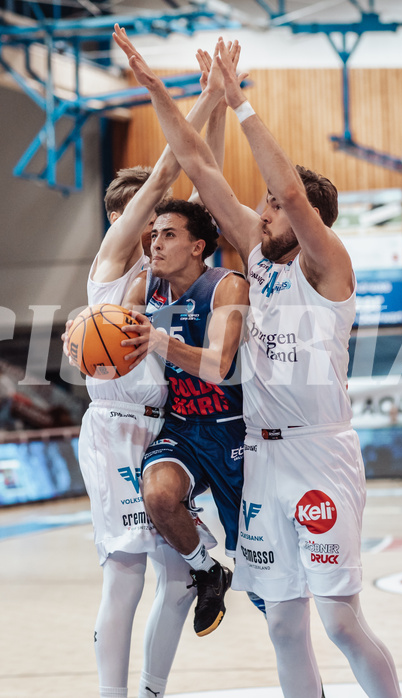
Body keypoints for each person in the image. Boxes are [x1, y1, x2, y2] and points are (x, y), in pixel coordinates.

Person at [113, 25, 402, 698]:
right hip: (261, 457)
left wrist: (241, 103)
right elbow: (197, 164)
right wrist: (161, 89)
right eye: (265, 204)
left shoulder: (326, 266)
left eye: (270, 205)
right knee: (282, 626)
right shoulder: (258, 262)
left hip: (318, 455)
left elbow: (294, 198)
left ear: (304, 221)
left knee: (339, 621)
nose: (260, 212)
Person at [63, 50, 235, 698]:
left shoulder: (169, 277)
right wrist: (201, 95)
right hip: (113, 432)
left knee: (176, 578)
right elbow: (174, 165)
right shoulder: (111, 269)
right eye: (147, 216)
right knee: (125, 571)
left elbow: (201, 171)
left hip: (163, 429)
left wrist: (216, 104)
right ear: (123, 219)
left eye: (163, 222)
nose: (156, 226)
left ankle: (152, 690)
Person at [121, 195, 250, 637]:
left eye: (168, 235)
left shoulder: (226, 285)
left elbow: (217, 365)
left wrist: (158, 340)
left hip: (235, 430)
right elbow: (110, 335)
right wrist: (79, 341)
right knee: (157, 495)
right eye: (153, 235)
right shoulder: (146, 289)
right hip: (181, 427)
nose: (155, 244)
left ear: (198, 246)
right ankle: (207, 571)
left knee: (262, 583)